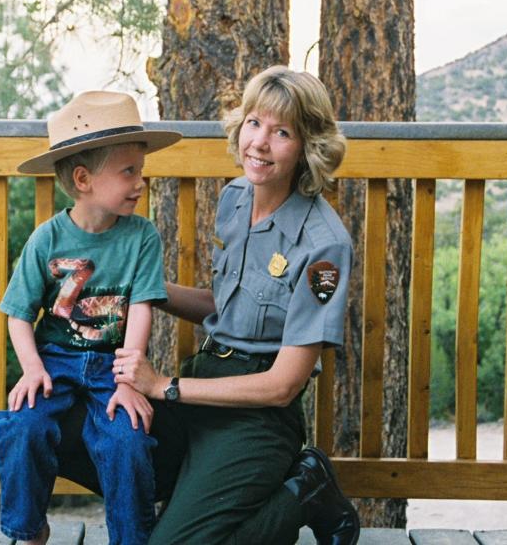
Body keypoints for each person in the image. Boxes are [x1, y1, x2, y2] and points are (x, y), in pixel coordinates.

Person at [110, 65, 361, 545]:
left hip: (257, 416)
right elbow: (224, 308)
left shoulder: (323, 247)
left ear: (309, 146)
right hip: (204, 384)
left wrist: (166, 386)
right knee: (92, 438)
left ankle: (304, 490)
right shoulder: (236, 198)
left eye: (282, 131)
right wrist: (147, 289)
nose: (260, 143)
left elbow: (283, 385)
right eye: (254, 123)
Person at [0, 91, 182, 545]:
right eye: (128, 171)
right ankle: (30, 529)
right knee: (23, 427)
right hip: (54, 359)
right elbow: (18, 314)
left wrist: (128, 379)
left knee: (127, 439)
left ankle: (131, 538)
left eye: (141, 169)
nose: (141, 182)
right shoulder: (46, 239)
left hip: (112, 364)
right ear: (83, 179)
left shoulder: (142, 237)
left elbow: (140, 309)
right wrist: (32, 369)